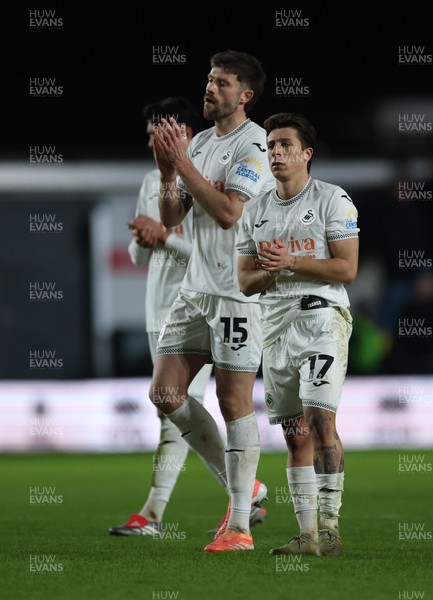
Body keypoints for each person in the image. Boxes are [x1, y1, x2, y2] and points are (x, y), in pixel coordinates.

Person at [149, 50, 274, 552]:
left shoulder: (255, 146)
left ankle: (240, 526)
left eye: (221, 82)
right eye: (208, 79)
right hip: (195, 290)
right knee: (165, 394)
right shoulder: (199, 142)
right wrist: (166, 173)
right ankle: (248, 487)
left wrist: (183, 166)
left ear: (244, 95)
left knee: (233, 402)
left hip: (235, 294)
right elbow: (174, 216)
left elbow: (227, 212)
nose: (209, 88)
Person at [236, 112, 359, 556]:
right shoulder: (255, 209)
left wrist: (292, 262)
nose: (276, 153)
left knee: (320, 417)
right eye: (270, 146)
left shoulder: (333, 200)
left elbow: (347, 268)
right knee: (294, 432)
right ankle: (306, 536)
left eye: (285, 145)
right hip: (274, 327)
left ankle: (330, 527)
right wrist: (272, 271)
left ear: (307, 153)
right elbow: (245, 281)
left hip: (321, 318)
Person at [109, 97, 225, 537]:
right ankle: (242, 492)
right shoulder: (151, 180)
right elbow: (140, 257)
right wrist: (145, 237)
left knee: (174, 404)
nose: (151, 142)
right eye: (149, 135)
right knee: (172, 410)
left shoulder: (211, 183)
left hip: (198, 309)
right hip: (157, 309)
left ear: (185, 134)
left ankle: (155, 514)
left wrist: (167, 238)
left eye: (159, 133)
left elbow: (215, 256)